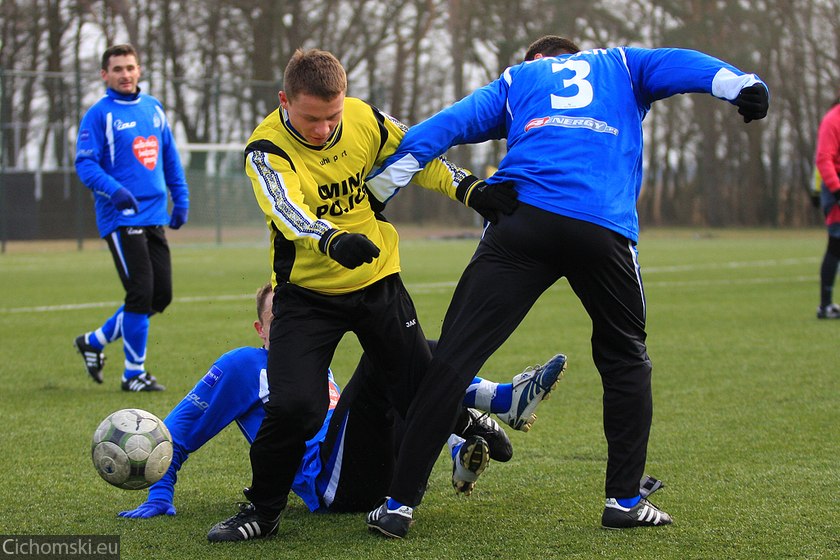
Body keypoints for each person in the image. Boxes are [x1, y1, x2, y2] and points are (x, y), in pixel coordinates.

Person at [365, 35, 770, 536]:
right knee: (626, 359)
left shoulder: (520, 78)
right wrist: (740, 85)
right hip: (600, 227)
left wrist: (383, 185)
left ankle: (399, 506)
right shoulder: (621, 64)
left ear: (541, 59)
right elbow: (680, 63)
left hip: (521, 222)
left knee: (452, 360)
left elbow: (445, 125)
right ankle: (622, 500)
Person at [206, 48, 540, 541]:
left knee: (415, 389)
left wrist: (471, 191)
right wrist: (332, 239)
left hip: (377, 281)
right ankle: (261, 510)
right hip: (307, 294)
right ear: (284, 101)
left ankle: (464, 418)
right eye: (311, 119)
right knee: (296, 407)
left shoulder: (365, 118)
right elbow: (285, 210)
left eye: (331, 116)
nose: (323, 129)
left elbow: (418, 156)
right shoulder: (266, 149)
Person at [120, 283, 564, 525]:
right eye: (281, 319)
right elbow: (169, 438)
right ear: (260, 328)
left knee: (400, 367)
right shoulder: (243, 366)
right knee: (385, 357)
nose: (294, 327)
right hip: (335, 484)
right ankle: (494, 405)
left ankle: (456, 447)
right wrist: (160, 494)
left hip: (389, 475)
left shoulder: (313, 364)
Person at [73, 43, 190, 392]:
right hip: (121, 217)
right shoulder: (99, 114)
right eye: (118, 69)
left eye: (131, 67)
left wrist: (180, 198)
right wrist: (114, 189)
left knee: (161, 296)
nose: (125, 74)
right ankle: (133, 374)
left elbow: (169, 156)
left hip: (154, 214)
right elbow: (85, 163)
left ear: (139, 70)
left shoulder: (153, 109)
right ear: (105, 75)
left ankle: (94, 340)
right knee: (140, 293)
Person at [814, 90, 840, 319]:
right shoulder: (833, 119)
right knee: (836, 245)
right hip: (836, 193)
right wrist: (837, 189)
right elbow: (824, 158)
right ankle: (825, 305)